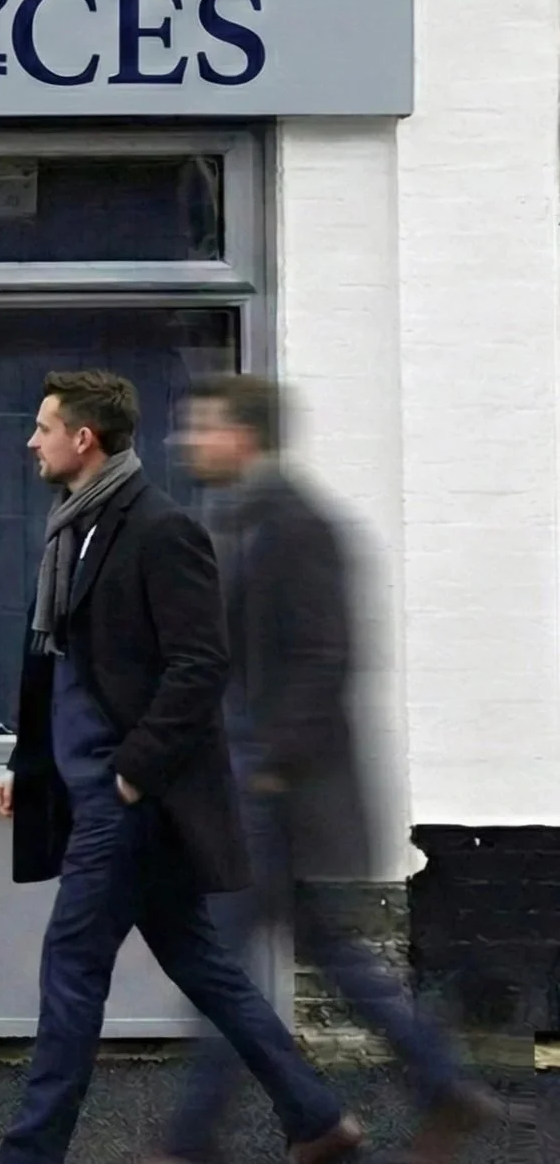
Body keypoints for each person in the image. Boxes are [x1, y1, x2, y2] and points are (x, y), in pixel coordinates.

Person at [0, 370, 361, 1164]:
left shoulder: (158, 530)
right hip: (96, 789)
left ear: (82, 438)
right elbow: (61, 669)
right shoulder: (73, 529)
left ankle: (27, 1156)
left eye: (42, 426)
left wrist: (131, 772)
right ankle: (316, 1117)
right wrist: (25, 763)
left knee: (70, 972)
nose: (32, 440)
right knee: (201, 962)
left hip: (123, 800)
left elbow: (199, 664)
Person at [146, 375, 506, 1164]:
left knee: (219, 963)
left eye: (199, 427)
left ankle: (190, 1142)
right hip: (252, 784)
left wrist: (264, 770)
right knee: (323, 958)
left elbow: (323, 656)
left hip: (273, 791)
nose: (184, 442)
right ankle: (432, 1088)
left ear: (243, 434)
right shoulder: (236, 518)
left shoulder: (298, 525)